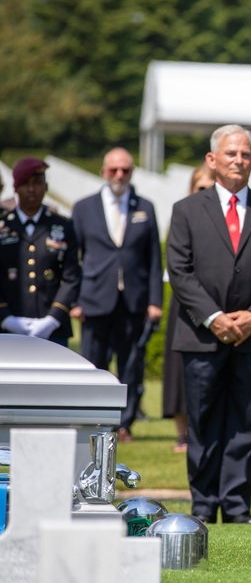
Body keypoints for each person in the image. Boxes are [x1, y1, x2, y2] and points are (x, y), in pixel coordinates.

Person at [167, 124, 251, 525]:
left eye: (245, 155)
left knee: (244, 422)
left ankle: (238, 506)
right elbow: (180, 270)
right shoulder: (186, 210)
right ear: (212, 160)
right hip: (201, 335)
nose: (238, 161)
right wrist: (214, 317)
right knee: (203, 422)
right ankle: (203, 505)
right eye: (230, 154)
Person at [70, 148, 163, 443]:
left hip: (134, 301)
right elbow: (74, 258)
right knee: (93, 364)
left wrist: (155, 302)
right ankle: (91, 420)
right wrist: (74, 300)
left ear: (132, 172)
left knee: (131, 366)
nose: (119, 175)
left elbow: (153, 259)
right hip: (95, 299)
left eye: (125, 170)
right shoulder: (84, 207)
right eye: (114, 170)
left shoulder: (145, 207)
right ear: (103, 171)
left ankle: (124, 424)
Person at [161, 164, 216, 454]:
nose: (205, 193)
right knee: (179, 370)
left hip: (217, 301)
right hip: (186, 301)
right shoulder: (183, 214)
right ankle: (182, 434)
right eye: (200, 188)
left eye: (210, 188)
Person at [0, 158, 80, 345]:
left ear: (46, 186)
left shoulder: (63, 226)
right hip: (6, 328)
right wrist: (5, 317)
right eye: (25, 184)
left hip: (52, 329)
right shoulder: (3, 226)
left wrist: (53, 318)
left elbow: (72, 277)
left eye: (37, 183)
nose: (31, 190)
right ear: (16, 188)